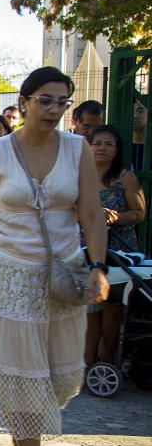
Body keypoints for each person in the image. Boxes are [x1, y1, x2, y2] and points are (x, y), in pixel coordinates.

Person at [0, 67, 109, 446]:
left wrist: (97, 267)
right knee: (26, 375)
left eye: (62, 102)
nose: (54, 110)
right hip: (7, 275)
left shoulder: (78, 149)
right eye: (45, 100)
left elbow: (92, 214)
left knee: (59, 377)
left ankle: (25, 435)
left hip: (62, 275)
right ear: (23, 102)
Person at [84, 125, 146, 366]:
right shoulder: (80, 176)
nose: (102, 148)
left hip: (119, 251)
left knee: (112, 307)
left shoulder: (125, 177)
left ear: (117, 150)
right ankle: (87, 361)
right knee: (90, 307)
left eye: (109, 144)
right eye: (97, 143)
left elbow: (139, 213)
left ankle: (107, 358)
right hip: (86, 249)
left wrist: (116, 217)